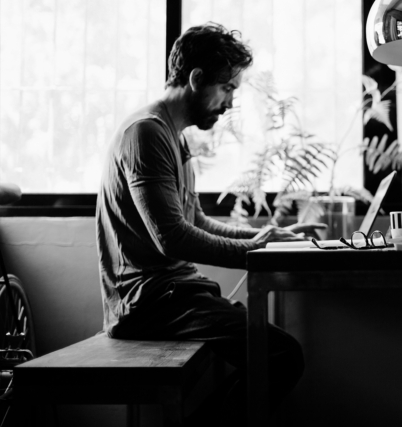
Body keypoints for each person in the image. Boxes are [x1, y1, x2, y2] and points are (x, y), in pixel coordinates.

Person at [96, 22, 322, 424]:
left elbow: (195, 220)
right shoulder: (146, 134)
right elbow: (172, 238)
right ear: (197, 78)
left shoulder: (174, 136)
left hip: (174, 295)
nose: (230, 102)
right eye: (227, 87)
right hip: (148, 304)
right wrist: (255, 250)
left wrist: (264, 239)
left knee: (275, 351)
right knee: (282, 354)